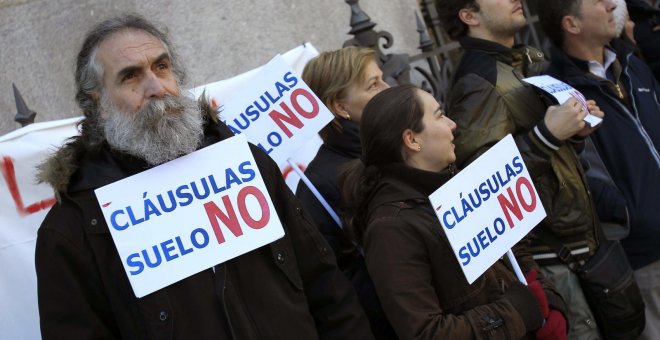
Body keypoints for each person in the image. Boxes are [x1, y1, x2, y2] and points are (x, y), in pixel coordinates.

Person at [34, 13, 374, 340]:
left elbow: (325, 286)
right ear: (98, 103)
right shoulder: (73, 230)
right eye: (131, 76)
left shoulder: (247, 164)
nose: (157, 88)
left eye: (162, 67)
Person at [435, 0, 605, 338]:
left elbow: (545, 153)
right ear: (469, 16)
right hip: (550, 257)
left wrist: (573, 133)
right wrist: (547, 135)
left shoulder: (525, 58)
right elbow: (484, 185)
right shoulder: (478, 79)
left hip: (579, 241)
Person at [339, 84, 563, 339]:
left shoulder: (452, 182)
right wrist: (513, 313)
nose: (452, 124)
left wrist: (548, 300)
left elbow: (511, 249)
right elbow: (425, 333)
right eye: (439, 115)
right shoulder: (390, 229)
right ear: (412, 140)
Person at [538, 0, 660, 338]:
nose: (612, 4)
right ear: (571, 25)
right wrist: (631, 217)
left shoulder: (630, 62)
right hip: (643, 250)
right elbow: (577, 171)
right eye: (596, 1)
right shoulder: (559, 92)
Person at [295, 47, 396, 338]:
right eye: (374, 85)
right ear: (340, 106)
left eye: (383, 79)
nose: (388, 90)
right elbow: (334, 284)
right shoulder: (319, 186)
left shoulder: (399, 148)